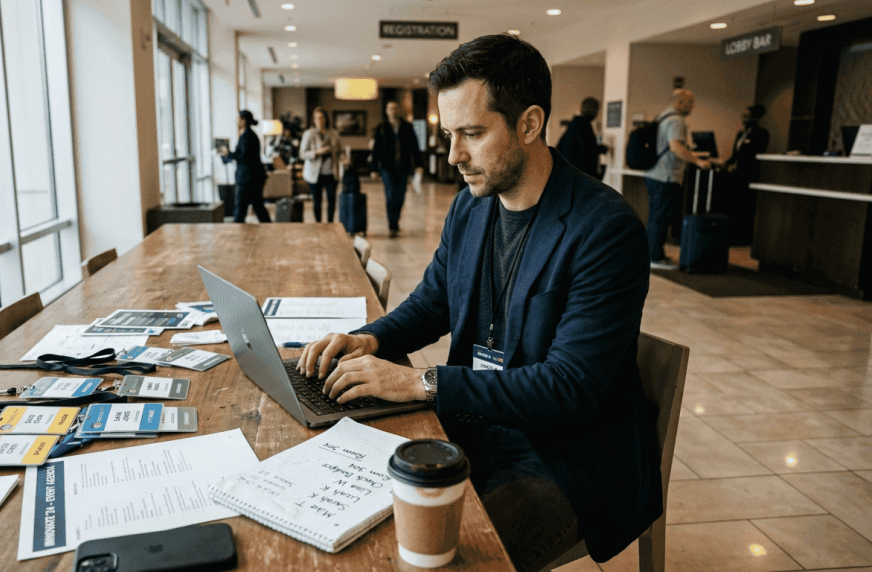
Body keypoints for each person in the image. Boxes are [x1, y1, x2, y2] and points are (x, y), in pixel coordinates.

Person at [299, 34, 661, 570]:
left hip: (563, 457)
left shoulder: (605, 230)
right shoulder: (473, 208)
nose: (453, 156)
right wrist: (370, 338)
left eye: (471, 133)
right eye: (449, 134)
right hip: (473, 427)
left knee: (438, 558)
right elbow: (434, 300)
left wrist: (422, 382)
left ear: (530, 124)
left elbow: (568, 388)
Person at [642, 89, 711, 269]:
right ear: (679, 102)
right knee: (661, 216)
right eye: (690, 102)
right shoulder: (677, 120)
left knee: (656, 215)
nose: (693, 106)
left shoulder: (662, 117)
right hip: (667, 175)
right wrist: (698, 161)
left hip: (654, 173)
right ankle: (655, 256)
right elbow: (676, 147)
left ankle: (652, 254)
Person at [370, 100, 423, 237]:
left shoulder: (407, 127)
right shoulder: (381, 128)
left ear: (398, 110)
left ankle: (396, 220)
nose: (392, 111)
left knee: (400, 195)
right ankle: (392, 225)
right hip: (387, 168)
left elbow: (415, 147)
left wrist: (419, 165)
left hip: (404, 167)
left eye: (395, 108)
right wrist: (374, 169)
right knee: (390, 195)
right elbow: (376, 150)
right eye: (390, 108)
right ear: (386, 111)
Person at [722, 104, 769, 244]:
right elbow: (734, 155)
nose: (744, 119)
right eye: (743, 116)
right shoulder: (740, 134)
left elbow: (754, 155)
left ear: (755, 118)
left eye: (747, 116)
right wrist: (724, 163)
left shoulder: (762, 134)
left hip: (749, 175)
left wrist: (738, 164)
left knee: (745, 207)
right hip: (736, 175)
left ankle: (743, 237)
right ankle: (731, 235)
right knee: (733, 206)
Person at [221, 110, 271, 223]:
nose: (236, 121)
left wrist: (229, 154)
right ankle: (269, 227)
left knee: (242, 208)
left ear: (244, 121)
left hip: (248, 179)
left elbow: (244, 157)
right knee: (257, 206)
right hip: (252, 177)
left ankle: (238, 232)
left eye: (238, 119)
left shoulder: (247, 136)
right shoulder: (248, 135)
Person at [299, 107, 343, 223]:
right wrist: (317, 152)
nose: (319, 120)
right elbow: (302, 154)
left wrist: (344, 159)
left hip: (331, 172)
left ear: (326, 119)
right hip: (314, 173)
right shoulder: (309, 133)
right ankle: (318, 224)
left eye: (321, 117)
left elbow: (340, 151)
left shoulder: (334, 133)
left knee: (332, 199)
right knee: (317, 200)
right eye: (317, 118)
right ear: (313, 119)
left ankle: (330, 224)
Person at [556, 96, 607, 179]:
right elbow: (587, 148)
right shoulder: (583, 126)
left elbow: (559, 147)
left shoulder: (573, 125)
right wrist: (602, 149)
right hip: (578, 173)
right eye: (595, 110)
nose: (596, 113)